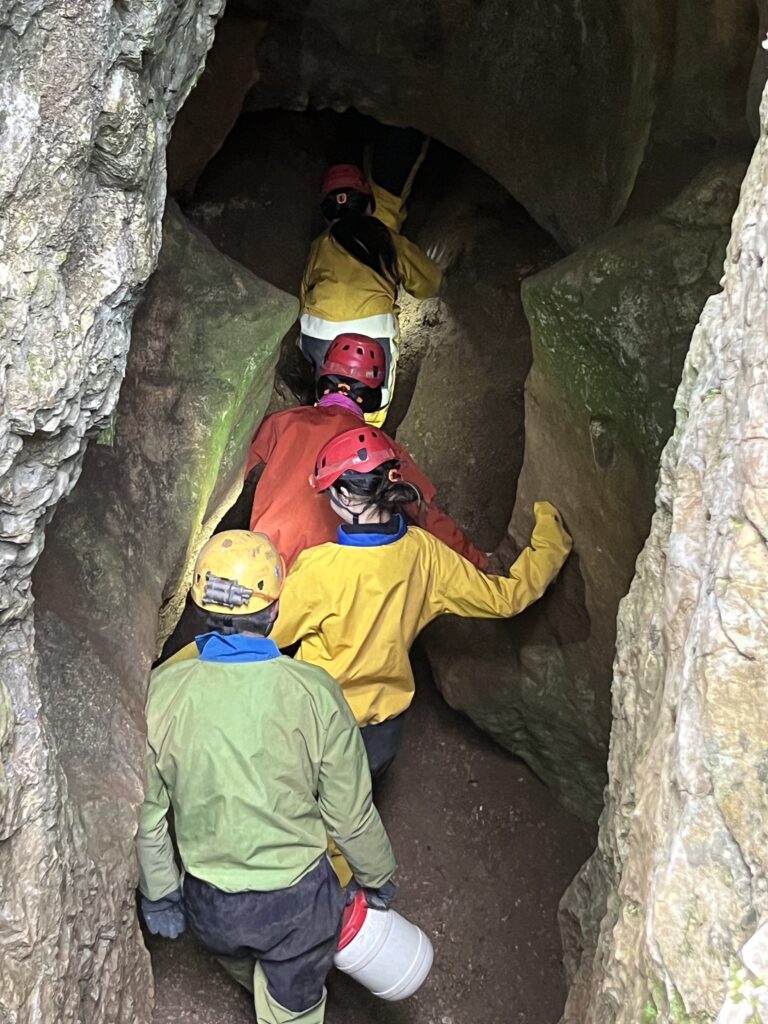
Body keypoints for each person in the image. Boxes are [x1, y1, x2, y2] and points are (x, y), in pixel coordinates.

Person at [136, 530, 397, 1024]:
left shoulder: (162, 694)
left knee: (243, 958)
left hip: (212, 905)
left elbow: (148, 815)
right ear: (275, 608)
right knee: (291, 993)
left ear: (198, 606)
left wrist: (162, 890)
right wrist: (376, 876)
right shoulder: (314, 692)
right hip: (299, 904)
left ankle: (257, 981)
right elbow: (349, 813)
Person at [270, 427, 573, 778]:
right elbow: (506, 599)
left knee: (301, 801)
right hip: (382, 730)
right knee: (354, 803)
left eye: (328, 492)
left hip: (319, 722)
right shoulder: (424, 552)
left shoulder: (319, 567)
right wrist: (550, 540)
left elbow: (269, 633)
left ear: (345, 495)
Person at [245, 332, 491, 571]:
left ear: (324, 379)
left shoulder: (282, 422)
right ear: (373, 395)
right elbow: (426, 512)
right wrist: (478, 561)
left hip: (260, 564)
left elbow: (234, 470)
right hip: (327, 574)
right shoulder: (381, 448)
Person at [299, 164, 442, 427]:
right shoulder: (385, 237)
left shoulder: (320, 244)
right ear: (368, 203)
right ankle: (366, 436)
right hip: (371, 330)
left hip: (317, 331)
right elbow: (428, 284)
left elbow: (304, 291)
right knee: (370, 407)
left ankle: (324, 420)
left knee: (328, 391)